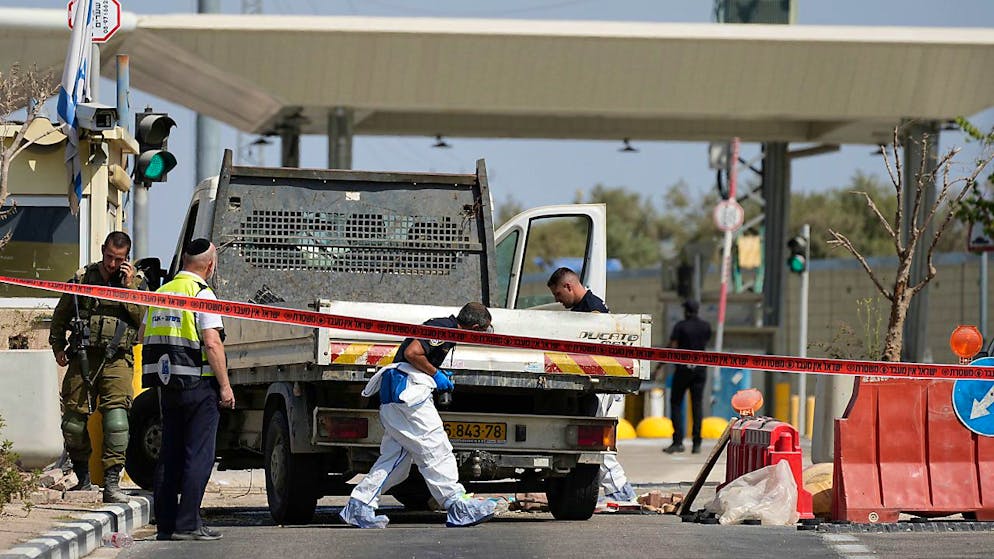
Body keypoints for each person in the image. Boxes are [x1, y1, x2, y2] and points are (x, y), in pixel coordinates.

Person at [340, 302, 503, 528]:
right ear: (474, 327)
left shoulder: (444, 328)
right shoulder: (443, 329)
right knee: (435, 446)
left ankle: (360, 504)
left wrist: (434, 372)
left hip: (397, 394)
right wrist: (435, 374)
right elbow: (412, 352)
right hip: (409, 395)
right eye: (483, 331)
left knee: (396, 460)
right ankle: (457, 505)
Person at [141, 239, 235, 541]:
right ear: (210, 265)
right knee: (199, 456)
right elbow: (212, 342)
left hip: (167, 385)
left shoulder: (162, 292)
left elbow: (144, 334)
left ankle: (166, 524)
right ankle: (188, 524)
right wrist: (225, 386)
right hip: (199, 384)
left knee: (169, 454)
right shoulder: (202, 294)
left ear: (183, 260)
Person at [49, 231, 147, 503]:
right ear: (103, 250)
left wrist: (128, 288)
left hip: (118, 359)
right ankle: (83, 478)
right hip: (84, 356)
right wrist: (58, 347)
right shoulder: (83, 278)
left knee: (116, 421)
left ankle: (112, 483)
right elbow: (61, 315)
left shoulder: (136, 283)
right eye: (109, 257)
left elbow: (142, 319)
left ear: (127, 258)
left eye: (119, 259)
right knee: (72, 423)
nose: (112, 264)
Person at [546, 268, 637, 503]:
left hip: (601, 383)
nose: (558, 300)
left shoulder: (592, 310)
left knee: (597, 443)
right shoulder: (583, 308)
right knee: (594, 442)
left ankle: (621, 492)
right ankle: (618, 491)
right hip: (595, 383)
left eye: (558, 294)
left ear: (568, 286)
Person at [664, 300, 713, 454]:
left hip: (683, 369)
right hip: (700, 370)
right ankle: (697, 443)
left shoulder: (680, 326)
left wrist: (659, 366)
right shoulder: (705, 326)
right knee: (697, 405)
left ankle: (678, 441)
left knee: (676, 403)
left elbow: (672, 346)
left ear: (686, 311)